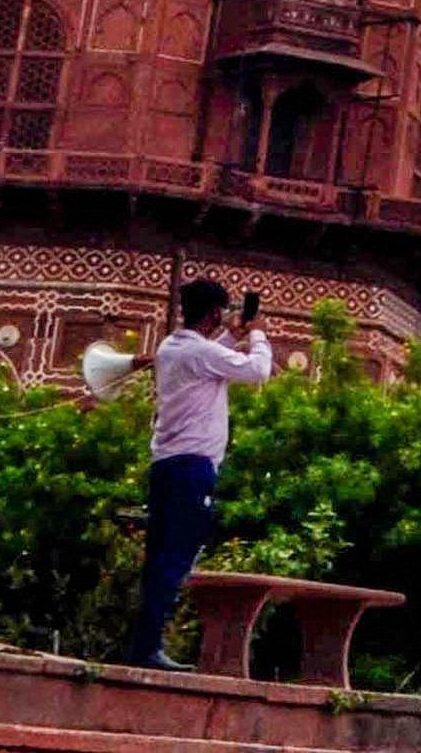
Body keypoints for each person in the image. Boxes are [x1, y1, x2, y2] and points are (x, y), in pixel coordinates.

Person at [107, 278, 271, 670]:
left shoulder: (171, 348)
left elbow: (208, 360)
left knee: (160, 556)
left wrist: (230, 337)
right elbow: (258, 371)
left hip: (166, 464)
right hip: (193, 467)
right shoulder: (198, 353)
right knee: (177, 556)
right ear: (215, 312)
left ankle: (144, 646)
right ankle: (150, 650)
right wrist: (259, 333)